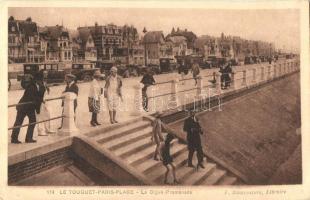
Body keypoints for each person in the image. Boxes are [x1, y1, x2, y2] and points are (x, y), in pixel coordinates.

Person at [11, 74, 41, 144]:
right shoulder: (32, 86)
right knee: (19, 122)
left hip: (28, 107)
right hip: (24, 107)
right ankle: (16, 138)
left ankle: (27, 138)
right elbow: (31, 98)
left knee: (31, 121)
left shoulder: (34, 85)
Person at [36, 70, 54, 136]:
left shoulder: (44, 81)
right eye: (44, 73)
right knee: (40, 116)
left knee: (48, 114)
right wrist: (41, 100)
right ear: (41, 74)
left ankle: (48, 129)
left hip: (46, 101)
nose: (46, 74)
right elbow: (37, 92)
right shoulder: (38, 82)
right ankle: (41, 131)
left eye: (47, 73)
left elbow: (46, 91)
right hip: (41, 101)